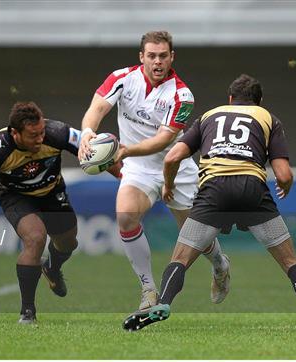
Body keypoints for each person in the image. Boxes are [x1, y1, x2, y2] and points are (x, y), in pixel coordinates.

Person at [122, 74, 296, 334]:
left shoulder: (208, 116)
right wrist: (285, 185)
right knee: (290, 262)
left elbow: (172, 157)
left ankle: (163, 303)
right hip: (252, 191)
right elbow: (283, 174)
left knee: (181, 259)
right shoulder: (268, 118)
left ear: (229, 99)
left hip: (213, 192)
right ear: (259, 101)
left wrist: (169, 185)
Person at [78, 30, 230, 310]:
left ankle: (220, 265)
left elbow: (164, 139)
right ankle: (148, 289)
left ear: (172, 57)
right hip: (138, 169)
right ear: (141, 57)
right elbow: (97, 108)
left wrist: (123, 151)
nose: (157, 62)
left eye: (163, 56)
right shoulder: (122, 78)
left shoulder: (182, 95)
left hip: (176, 167)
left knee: (196, 236)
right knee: (125, 218)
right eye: (151, 56)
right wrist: (88, 132)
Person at [0, 101, 119, 324]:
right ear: (15, 133)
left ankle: (52, 268)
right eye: (33, 135)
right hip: (17, 197)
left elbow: (98, 154)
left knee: (68, 243)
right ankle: (27, 312)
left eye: (42, 132)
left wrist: (123, 177)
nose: (40, 138)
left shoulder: (58, 132)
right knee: (36, 239)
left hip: (52, 192)